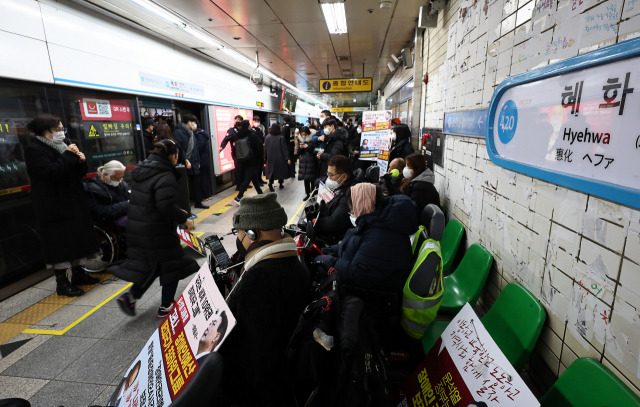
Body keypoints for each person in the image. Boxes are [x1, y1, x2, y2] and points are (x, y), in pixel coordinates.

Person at [219, 193, 310, 405]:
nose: (238, 239)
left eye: (239, 233)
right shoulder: (296, 265)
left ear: (253, 233)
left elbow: (254, 359)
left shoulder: (260, 280)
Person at [112, 139, 199, 318]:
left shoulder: (143, 169)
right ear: (173, 156)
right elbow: (164, 205)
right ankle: (166, 305)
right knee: (173, 265)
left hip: (139, 227)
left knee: (155, 264)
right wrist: (184, 218)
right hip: (157, 230)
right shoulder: (165, 174)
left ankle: (131, 296)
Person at [25, 114, 100, 297]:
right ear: (45, 131)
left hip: (73, 201)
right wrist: (68, 155)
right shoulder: (34, 150)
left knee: (77, 239)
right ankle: (62, 283)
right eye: (57, 130)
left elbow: (76, 173)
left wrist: (81, 161)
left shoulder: (65, 145)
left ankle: (79, 274)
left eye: (61, 129)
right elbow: (51, 172)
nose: (61, 132)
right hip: (53, 206)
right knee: (60, 244)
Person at [314, 183, 417, 313]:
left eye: (352, 209)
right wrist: (329, 250)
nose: (351, 213)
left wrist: (324, 262)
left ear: (363, 205)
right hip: (365, 288)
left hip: (373, 303)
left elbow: (357, 274)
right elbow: (356, 244)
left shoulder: (383, 235)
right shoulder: (376, 222)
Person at [313, 155, 357, 245]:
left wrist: (314, 221)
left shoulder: (349, 196)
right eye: (327, 174)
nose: (328, 178)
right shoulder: (340, 187)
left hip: (337, 240)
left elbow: (332, 224)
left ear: (343, 177)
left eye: (331, 175)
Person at [173, 113, 208, 209]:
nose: (195, 125)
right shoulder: (178, 132)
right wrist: (186, 159)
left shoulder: (191, 132)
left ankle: (198, 202)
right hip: (185, 163)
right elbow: (179, 148)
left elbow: (195, 148)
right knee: (185, 184)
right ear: (189, 122)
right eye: (194, 122)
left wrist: (198, 161)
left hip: (195, 161)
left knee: (197, 182)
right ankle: (185, 204)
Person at [83, 160, 131, 228]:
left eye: (121, 178)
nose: (119, 181)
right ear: (105, 174)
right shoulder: (92, 189)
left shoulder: (122, 184)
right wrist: (126, 205)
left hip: (128, 214)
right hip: (111, 221)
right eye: (117, 178)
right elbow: (99, 211)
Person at [233, 120, 264, 204]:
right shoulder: (251, 135)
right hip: (252, 159)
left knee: (253, 176)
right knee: (248, 178)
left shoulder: (238, 135)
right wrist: (260, 159)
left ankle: (260, 193)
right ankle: (239, 197)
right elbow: (259, 147)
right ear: (248, 126)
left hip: (243, 160)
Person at [316, 118, 347, 184]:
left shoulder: (338, 140)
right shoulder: (330, 138)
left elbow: (335, 156)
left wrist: (322, 155)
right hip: (329, 170)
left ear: (332, 126)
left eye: (325, 127)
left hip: (334, 172)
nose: (324, 129)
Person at [264, 123, 290, 192]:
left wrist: (265, 159)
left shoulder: (267, 137)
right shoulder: (281, 137)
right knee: (280, 171)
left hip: (270, 158)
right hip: (280, 157)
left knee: (271, 172)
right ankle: (281, 184)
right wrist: (287, 158)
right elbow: (284, 149)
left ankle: (270, 183)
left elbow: (265, 149)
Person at [220, 115, 243, 190]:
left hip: (244, 152)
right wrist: (222, 147)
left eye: (239, 119)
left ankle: (244, 183)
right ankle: (238, 185)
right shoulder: (232, 130)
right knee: (238, 169)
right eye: (236, 119)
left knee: (244, 168)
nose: (238, 121)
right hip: (236, 152)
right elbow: (226, 139)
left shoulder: (243, 129)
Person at [194, 119, 214, 199]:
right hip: (205, 158)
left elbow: (200, 146)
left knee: (203, 178)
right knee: (205, 176)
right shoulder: (203, 132)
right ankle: (208, 193)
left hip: (201, 158)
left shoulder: (198, 134)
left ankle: (206, 195)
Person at [296, 127, 318, 201]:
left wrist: (308, 147)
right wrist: (301, 148)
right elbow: (299, 153)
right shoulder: (300, 140)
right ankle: (307, 194)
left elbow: (316, 150)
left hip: (312, 161)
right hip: (303, 162)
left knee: (312, 179)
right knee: (306, 179)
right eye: (302, 133)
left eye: (304, 133)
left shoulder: (313, 139)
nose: (303, 135)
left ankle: (312, 195)